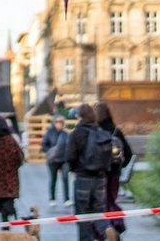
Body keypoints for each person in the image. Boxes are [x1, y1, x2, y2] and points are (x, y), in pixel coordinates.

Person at [66, 104, 115, 241]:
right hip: (100, 179)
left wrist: (74, 168)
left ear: (79, 117)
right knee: (98, 213)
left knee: (83, 216)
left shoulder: (77, 133)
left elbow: (69, 156)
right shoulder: (102, 133)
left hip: (83, 178)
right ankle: (107, 229)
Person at [95, 102, 132, 236]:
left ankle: (104, 231)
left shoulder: (94, 131)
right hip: (114, 174)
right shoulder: (116, 130)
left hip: (99, 174)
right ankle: (116, 225)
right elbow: (128, 153)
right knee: (112, 199)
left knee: (100, 204)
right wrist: (119, 167)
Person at [41, 115, 71, 207]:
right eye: (57, 122)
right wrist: (49, 151)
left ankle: (67, 199)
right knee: (53, 179)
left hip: (64, 159)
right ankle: (52, 198)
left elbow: (70, 146)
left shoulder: (66, 134)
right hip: (53, 160)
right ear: (54, 123)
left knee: (65, 178)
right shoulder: (49, 133)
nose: (59, 124)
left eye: (61, 122)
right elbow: (44, 145)